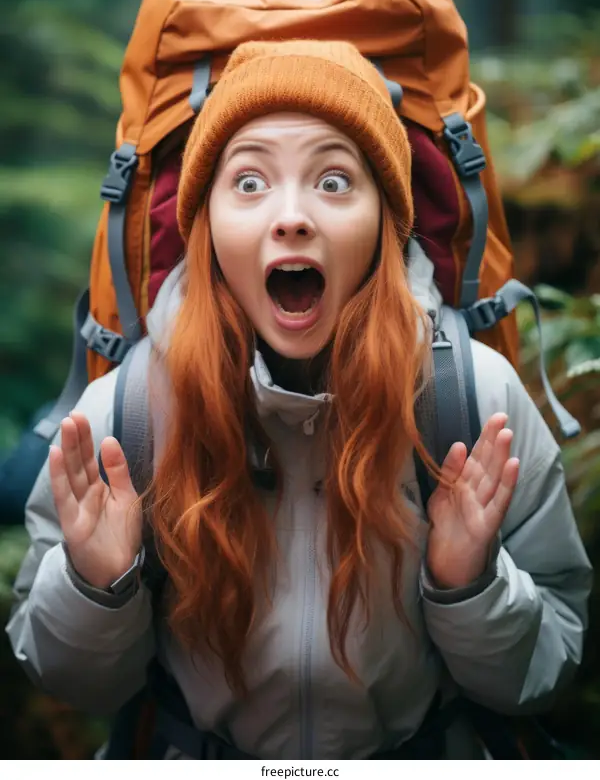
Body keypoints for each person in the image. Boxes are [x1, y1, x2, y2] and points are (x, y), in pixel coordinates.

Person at [6, 41, 592, 759]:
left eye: (336, 181)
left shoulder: (471, 403)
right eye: (249, 182)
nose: (292, 217)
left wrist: (468, 585)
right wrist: (97, 585)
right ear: (207, 227)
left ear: (387, 221)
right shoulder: (125, 418)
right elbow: (71, 682)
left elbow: (549, 669)